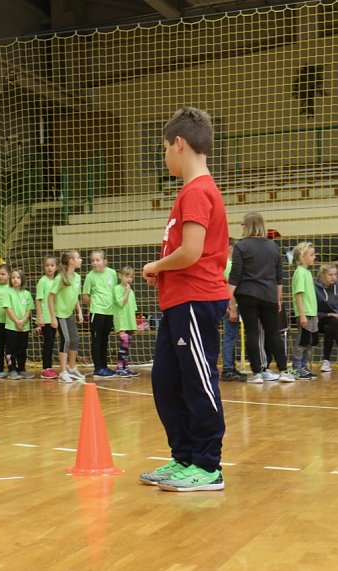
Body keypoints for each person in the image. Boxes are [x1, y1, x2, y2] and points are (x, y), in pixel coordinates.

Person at [138, 106, 229, 492]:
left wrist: (157, 264)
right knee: (167, 380)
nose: (164, 156)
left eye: (164, 148)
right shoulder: (191, 191)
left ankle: (208, 466)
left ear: (179, 144)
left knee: (196, 380)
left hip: (194, 298)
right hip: (177, 301)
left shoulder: (197, 191)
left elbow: (191, 252)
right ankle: (184, 457)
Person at [227, 212, 294, 384]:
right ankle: (284, 370)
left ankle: (257, 373)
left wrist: (231, 303)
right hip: (269, 295)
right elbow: (279, 278)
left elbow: (235, 276)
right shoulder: (273, 246)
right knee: (273, 333)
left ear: (246, 226)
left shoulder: (241, 246)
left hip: (247, 294)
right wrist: (278, 299)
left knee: (252, 333)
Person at [48, 250, 85, 383]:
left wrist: (79, 311)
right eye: (78, 258)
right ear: (71, 261)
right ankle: (63, 372)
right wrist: (53, 317)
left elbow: (75, 296)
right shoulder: (60, 278)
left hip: (69, 314)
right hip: (60, 314)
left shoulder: (77, 277)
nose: (81, 260)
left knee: (75, 339)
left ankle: (72, 367)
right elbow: (50, 298)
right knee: (66, 340)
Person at [82, 250, 118, 378]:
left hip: (110, 312)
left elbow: (115, 290)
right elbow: (85, 295)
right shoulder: (90, 276)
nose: (95, 263)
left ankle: (104, 366)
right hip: (97, 312)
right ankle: (98, 368)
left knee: (104, 339)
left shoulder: (112, 273)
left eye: (98, 260)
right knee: (96, 340)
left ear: (104, 261)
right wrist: (96, 303)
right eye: (93, 260)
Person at [220, 238, 247, 382]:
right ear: (230, 248)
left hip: (228, 305)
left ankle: (230, 367)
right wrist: (232, 308)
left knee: (231, 337)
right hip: (230, 306)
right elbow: (229, 290)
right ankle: (228, 369)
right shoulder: (229, 265)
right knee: (230, 337)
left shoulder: (224, 264)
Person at [291, 242, 318, 379]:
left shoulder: (307, 273)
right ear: (302, 256)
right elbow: (298, 295)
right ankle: (296, 368)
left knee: (309, 342)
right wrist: (302, 315)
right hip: (305, 314)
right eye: (311, 255)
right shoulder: (300, 273)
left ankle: (304, 366)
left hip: (312, 314)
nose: (314, 257)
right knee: (302, 342)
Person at [2, 269, 34, 379]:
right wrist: (16, 321)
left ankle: (21, 369)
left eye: (18, 277)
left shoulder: (27, 294)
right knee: (11, 349)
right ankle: (12, 370)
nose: (15, 280)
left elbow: (29, 309)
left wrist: (23, 321)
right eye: (13, 277)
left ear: (22, 279)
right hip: (11, 327)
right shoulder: (8, 292)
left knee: (22, 348)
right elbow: (8, 308)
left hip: (24, 328)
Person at [35, 255, 60, 379]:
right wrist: (40, 317)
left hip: (55, 316)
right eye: (47, 265)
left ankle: (49, 367)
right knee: (48, 343)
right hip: (46, 317)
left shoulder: (57, 280)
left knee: (52, 343)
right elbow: (38, 300)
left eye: (52, 265)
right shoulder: (42, 281)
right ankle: (45, 369)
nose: (49, 268)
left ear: (56, 267)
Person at [112, 266, 139, 378]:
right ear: (120, 276)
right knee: (123, 345)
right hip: (122, 322)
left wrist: (134, 324)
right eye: (127, 276)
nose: (129, 279)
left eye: (131, 277)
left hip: (130, 323)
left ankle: (125, 367)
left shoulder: (131, 291)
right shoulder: (117, 289)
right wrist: (127, 292)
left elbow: (133, 309)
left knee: (126, 346)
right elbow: (121, 303)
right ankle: (120, 368)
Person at [315, 264, 338, 373]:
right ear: (323, 275)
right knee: (332, 321)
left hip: (333, 323)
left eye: (335, 274)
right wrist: (327, 315)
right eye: (330, 275)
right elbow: (312, 310)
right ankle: (325, 360)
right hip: (319, 320)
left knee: (330, 327)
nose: (334, 277)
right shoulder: (315, 288)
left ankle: (326, 360)